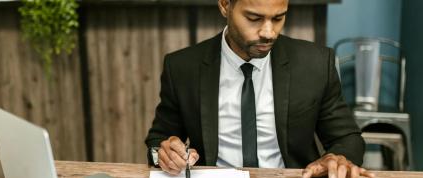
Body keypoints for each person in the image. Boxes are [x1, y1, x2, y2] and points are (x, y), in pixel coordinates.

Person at [145, 0, 375, 177]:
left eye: (278, 18)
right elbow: (158, 141)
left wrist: (338, 157)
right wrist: (165, 154)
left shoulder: (315, 64)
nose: (268, 32)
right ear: (225, 5)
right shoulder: (182, 67)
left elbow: (347, 137)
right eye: (254, 18)